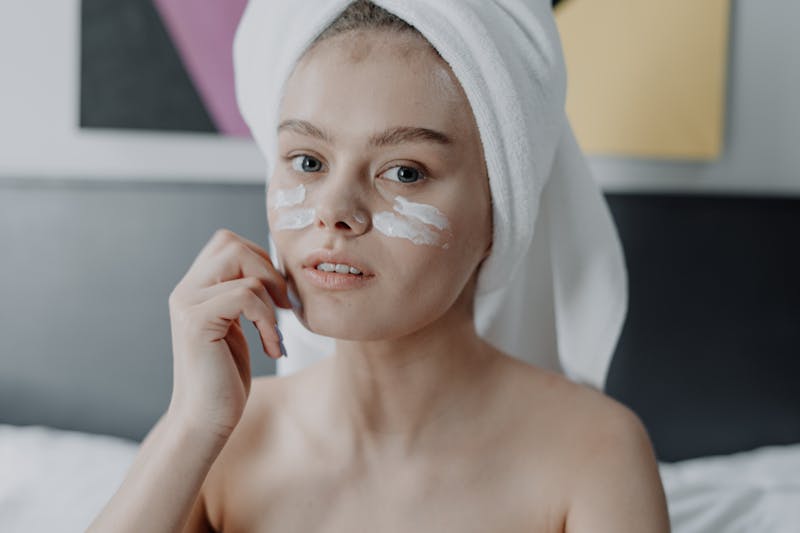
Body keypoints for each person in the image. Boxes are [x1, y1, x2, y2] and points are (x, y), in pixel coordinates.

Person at [89, 1, 670, 531]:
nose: (333, 211)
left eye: (405, 172)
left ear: (501, 212)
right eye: (309, 160)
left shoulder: (593, 452)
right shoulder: (221, 439)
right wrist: (191, 428)